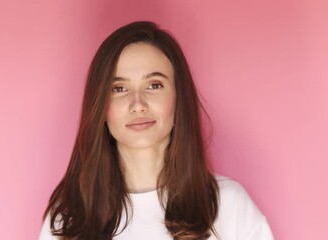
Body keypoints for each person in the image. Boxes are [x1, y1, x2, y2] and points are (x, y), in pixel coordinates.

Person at [38, 21, 274, 240]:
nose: (138, 104)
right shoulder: (68, 219)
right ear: (100, 105)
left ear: (178, 97)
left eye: (154, 85)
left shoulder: (229, 205)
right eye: (119, 88)